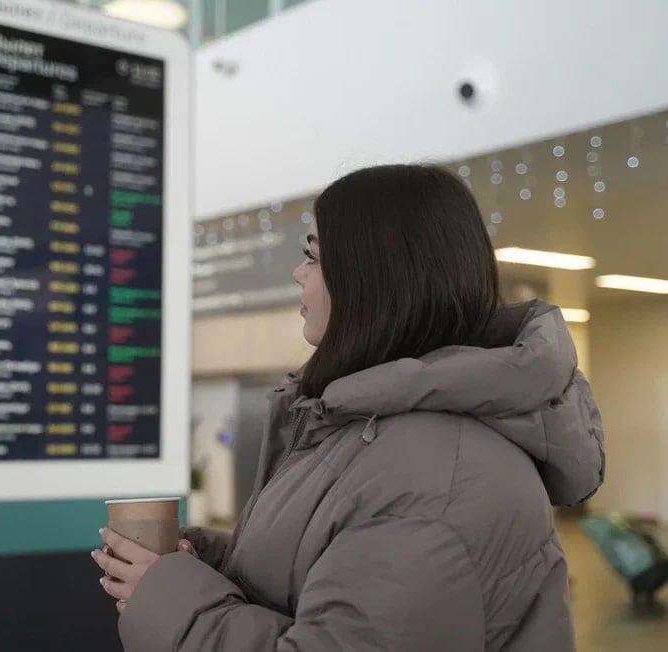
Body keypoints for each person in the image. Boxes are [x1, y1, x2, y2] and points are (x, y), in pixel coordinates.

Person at [91, 164, 605, 651]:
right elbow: (328, 581)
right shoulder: (361, 427)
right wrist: (204, 567)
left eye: (313, 255)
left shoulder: (438, 479)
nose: (298, 273)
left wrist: (166, 599)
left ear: (374, 277)